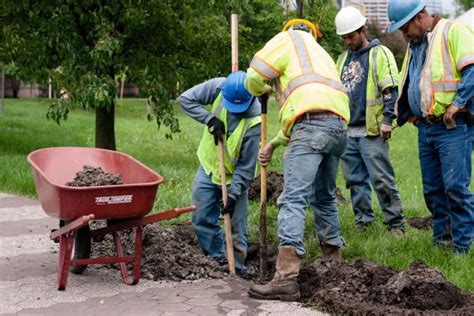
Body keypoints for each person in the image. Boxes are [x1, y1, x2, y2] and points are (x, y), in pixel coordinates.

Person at [244, 19, 350, 301]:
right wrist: (276, 142)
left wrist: (263, 90)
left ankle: (286, 278)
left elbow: (253, 76)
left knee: (293, 199)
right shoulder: (322, 53)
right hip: (339, 128)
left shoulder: (286, 39)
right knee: (325, 196)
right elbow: (315, 110)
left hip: (311, 124)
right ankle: (333, 261)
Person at [387, 0, 474, 254]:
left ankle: (463, 248)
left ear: (420, 17)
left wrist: (458, 103)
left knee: (456, 188)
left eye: (404, 29)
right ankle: (441, 242)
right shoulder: (416, 45)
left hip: (452, 127)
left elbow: (471, 70)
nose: (403, 35)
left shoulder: (452, 31)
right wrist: (410, 112)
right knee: (433, 190)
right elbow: (414, 82)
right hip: (426, 128)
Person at [178, 71, 261, 276]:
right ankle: (216, 260)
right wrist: (209, 119)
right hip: (208, 167)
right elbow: (185, 99)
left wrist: (233, 195)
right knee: (202, 217)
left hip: (235, 179)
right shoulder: (219, 87)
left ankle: (238, 270)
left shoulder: (255, 122)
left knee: (235, 228)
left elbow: (246, 166)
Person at [335, 7, 405, 236]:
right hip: (348, 130)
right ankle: (363, 222)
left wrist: (387, 120)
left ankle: (396, 224)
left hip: (373, 130)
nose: (348, 41)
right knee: (354, 181)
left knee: (381, 179)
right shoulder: (342, 59)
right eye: (344, 37)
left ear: (363, 30)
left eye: (351, 36)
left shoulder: (380, 53)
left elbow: (390, 91)